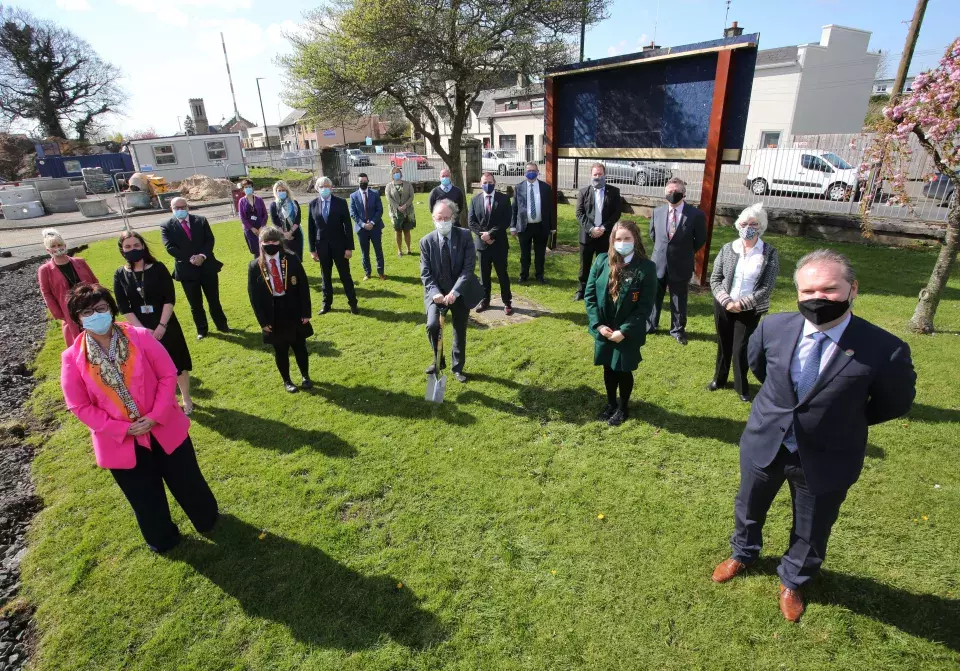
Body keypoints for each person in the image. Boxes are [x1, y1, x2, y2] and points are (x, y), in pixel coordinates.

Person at [712, 249, 916, 622]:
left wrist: (842, 420)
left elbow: (895, 402)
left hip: (827, 453)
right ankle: (743, 553)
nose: (817, 298)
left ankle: (794, 579)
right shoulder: (772, 328)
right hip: (766, 441)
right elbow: (760, 370)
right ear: (797, 294)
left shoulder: (885, 349)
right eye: (808, 291)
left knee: (813, 524)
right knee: (749, 507)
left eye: (829, 289)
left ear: (852, 289)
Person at [60, 283, 219, 553]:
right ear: (77, 318)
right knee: (144, 497)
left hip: (165, 426)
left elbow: (168, 375)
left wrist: (156, 416)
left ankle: (208, 520)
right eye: (87, 311)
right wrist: (120, 429)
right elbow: (79, 405)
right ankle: (162, 538)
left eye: (100, 308)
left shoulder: (141, 337)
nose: (96, 315)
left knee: (188, 481)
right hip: (120, 442)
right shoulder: (72, 358)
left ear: (110, 310)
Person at [584, 221, 657, 427]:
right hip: (605, 328)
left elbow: (644, 306)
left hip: (627, 331)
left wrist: (624, 331)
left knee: (623, 369)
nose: (622, 243)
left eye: (627, 239)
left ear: (635, 240)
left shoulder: (646, 268)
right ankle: (610, 403)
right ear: (612, 241)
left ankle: (623, 407)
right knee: (608, 367)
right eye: (618, 239)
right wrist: (598, 325)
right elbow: (589, 296)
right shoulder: (601, 261)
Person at [113, 232, 195, 414]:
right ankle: (167, 402)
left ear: (143, 246)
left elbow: (169, 298)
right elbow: (123, 305)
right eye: (127, 246)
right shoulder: (120, 274)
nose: (132, 249)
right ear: (122, 250)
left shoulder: (158, 268)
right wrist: (143, 331)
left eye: (136, 245)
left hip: (166, 324)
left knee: (177, 363)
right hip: (139, 329)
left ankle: (186, 398)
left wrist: (162, 326)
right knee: (153, 369)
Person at [708, 204, 780, 402]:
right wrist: (727, 301)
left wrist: (742, 304)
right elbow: (715, 278)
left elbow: (767, 286)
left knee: (741, 347)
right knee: (723, 343)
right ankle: (719, 379)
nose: (749, 227)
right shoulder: (727, 249)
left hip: (750, 309)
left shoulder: (769, 253)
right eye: (745, 223)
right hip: (724, 305)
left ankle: (741, 386)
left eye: (754, 223)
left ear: (761, 226)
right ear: (739, 225)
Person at [420, 199, 484, 383]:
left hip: (460, 292)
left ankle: (458, 367)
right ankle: (438, 361)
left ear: (453, 218)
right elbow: (425, 273)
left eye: (447, 218)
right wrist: (436, 294)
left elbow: (468, 268)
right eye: (439, 218)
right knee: (432, 325)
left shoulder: (464, 236)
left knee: (459, 329)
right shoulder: (426, 242)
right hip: (437, 293)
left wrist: (455, 292)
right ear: (433, 218)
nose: (443, 221)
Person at [248, 227, 313, 393]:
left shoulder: (291, 258)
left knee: (300, 346)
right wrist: (263, 321)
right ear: (261, 244)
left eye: (274, 241)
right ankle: (287, 381)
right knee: (280, 349)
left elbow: (303, 286)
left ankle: (305, 376)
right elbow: (254, 297)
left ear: (280, 242)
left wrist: (306, 312)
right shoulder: (255, 266)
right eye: (267, 242)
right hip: (273, 312)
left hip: (293, 308)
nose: (271, 244)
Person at [646, 177, 707, 346]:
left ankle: (677, 330)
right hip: (658, 262)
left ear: (683, 193)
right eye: (669, 191)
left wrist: (685, 251)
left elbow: (701, 239)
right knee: (654, 296)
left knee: (678, 298)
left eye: (675, 191)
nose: (672, 194)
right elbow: (653, 235)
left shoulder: (695, 215)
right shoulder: (657, 212)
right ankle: (650, 324)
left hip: (681, 263)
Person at [160, 197, 230, 340]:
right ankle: (202, 330)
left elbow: (209, 240)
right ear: (171, 209)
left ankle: (222, 325)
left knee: (214, 300)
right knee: (195, 303)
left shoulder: (201, 221)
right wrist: (192, 258)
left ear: (188, 207)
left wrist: (202, 256)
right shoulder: (166, 226)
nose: (180, 210)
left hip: (207, 267)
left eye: (182, 207)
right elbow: (170, 247)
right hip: (187, 271)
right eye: (176, 208)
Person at [37, 228, 99, 346]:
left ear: (64, 245)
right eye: (53, 246)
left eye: (59, 245)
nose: (57, 248)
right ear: (48, 249)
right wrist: (59, 314)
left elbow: (94, 281)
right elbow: (46, 294)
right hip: (69, 312)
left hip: (90, 304)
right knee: (79, 344)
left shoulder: (80, 262)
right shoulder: (44, 270)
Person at [308, 177, 359, 315]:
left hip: (340, 246)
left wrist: (349, 248)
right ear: (317, 188)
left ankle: (353, 303)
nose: (324, 189)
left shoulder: (341, 203)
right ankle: (326, 304)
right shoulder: (312, 204)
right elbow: (311, 229)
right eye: (321, 186)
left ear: (331, 188)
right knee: (326, 277)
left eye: (327, 186)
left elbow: (348, 226)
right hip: (322, 247)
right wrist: (312, 250)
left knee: (345, 276)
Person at [468, 172, 513, 315]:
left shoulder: (504, 199)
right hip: (482, 245)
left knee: (502, 275)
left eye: (490, 182)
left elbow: (506, 220)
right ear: (481, 184)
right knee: (484, 275)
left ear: (495, 182)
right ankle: (484, 300)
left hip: (499, 243)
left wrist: (491, 234)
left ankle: (507, 302)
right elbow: (471, 222)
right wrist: (484, 235)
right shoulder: (475, 200)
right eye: (485, 182)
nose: (487, 184)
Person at [574, 162, 621, 301]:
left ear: (604, 175)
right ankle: (582, 291)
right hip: (587, 236)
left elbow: (616, 213)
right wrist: (591, 229)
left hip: (605, 236)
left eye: (600, 174)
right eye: (595, 174)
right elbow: (579, 213)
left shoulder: (614, 192)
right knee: (585, 266)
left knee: (605, 265)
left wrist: (604, 228)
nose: (597, 177)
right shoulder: (583, 192)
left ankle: (603, 290)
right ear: (591, 175)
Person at [510, 161, 556, 284]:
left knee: (540, 254)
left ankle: (539, 275)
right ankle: (523, 275)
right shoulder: (519, 188)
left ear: (537, 172)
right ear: (525, 173)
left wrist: (552, 226)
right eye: (529, 171)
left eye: (533, 171)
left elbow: (551, 208)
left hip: (541, 226)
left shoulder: (545, 188)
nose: (531, 173)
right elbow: (514, 208)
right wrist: (512, 227)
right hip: (524, 226)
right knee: (524, 254)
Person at [349, 173, 386, 280]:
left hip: (375, 227)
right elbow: (353, 213)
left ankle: (381, 272)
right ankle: (367, 273)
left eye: (365, 181)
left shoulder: (375, 193)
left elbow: (380, 210)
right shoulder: (353, 196)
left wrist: (372, 223)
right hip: (362, 229)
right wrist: (363, 224)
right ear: (358, 182)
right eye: (361, 181)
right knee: (364, 252)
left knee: (378, 250)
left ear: (368, 181)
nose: (363, 183)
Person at [268, 180, 304, 258]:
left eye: (283, 190)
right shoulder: (273, 205)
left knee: (298, 260)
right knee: (285, 261)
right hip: (282, 237)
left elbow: (298, 219)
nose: (281, 192)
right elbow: (275, 222)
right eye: (279, 190)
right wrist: (285, 234)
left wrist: (290, 232)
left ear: (287, 191)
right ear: (276, 192)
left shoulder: (294, 203)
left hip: (296, 235)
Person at [385, 168, 416, 256]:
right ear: (392, 175)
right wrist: (398, 207)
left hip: (407, 211)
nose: (396, 174)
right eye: (394, 173)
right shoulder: (389, 186)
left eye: (397, 172)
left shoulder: (408, 184)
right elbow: (389, 198)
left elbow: (411, 196)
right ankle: (399, 250)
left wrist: (405, 206)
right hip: (395, 212)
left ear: (401, 173)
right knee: (398, 231)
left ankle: (409, 249)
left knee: (407, 231)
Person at [238, 178, 268, 256]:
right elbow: (242, 217)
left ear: (252, 187)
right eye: (246, 187)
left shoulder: (259, 200)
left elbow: (265, 214)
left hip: (261, 229)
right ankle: (257, 267)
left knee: (265, 250)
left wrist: (262, 226)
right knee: (256, 253)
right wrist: (252, 228)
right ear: (243, 189)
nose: (248, 188)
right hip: (250, 231)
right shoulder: (241, 201)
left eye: (249, 186)